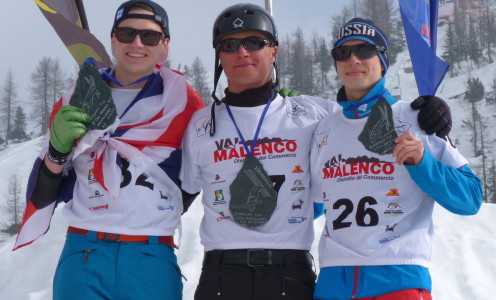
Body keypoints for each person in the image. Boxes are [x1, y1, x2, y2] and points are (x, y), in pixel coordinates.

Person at [179, 4, 453, 300]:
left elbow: (364, 109)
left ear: (274, 51)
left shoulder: (314, 114)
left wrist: (428, 110)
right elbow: (178, 192)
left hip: (289, 274)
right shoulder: (200, 124)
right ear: (219, 55)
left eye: (254, 42)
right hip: (222, 275)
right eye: (229, 44)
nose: (242, 52)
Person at [14, 1, 204, 299]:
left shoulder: (184, 103)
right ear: (113, 40)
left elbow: (210, 162)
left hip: (150, 256)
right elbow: (43, 195)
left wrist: (277, 104)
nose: (137, 43)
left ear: (164, 46)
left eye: (150, 37)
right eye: (127, 34)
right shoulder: (76, 98)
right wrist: (57, 149)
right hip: (84, 255)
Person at [310, 18, 482, 300]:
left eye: (364, 50)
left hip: (397, 279)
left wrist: (423, 163)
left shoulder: (417, 117)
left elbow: (471, 198)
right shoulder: (324, 130)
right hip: (333, 283)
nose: (353, 59)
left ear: (382, 60)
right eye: (342, 53)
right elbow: (312, 205)